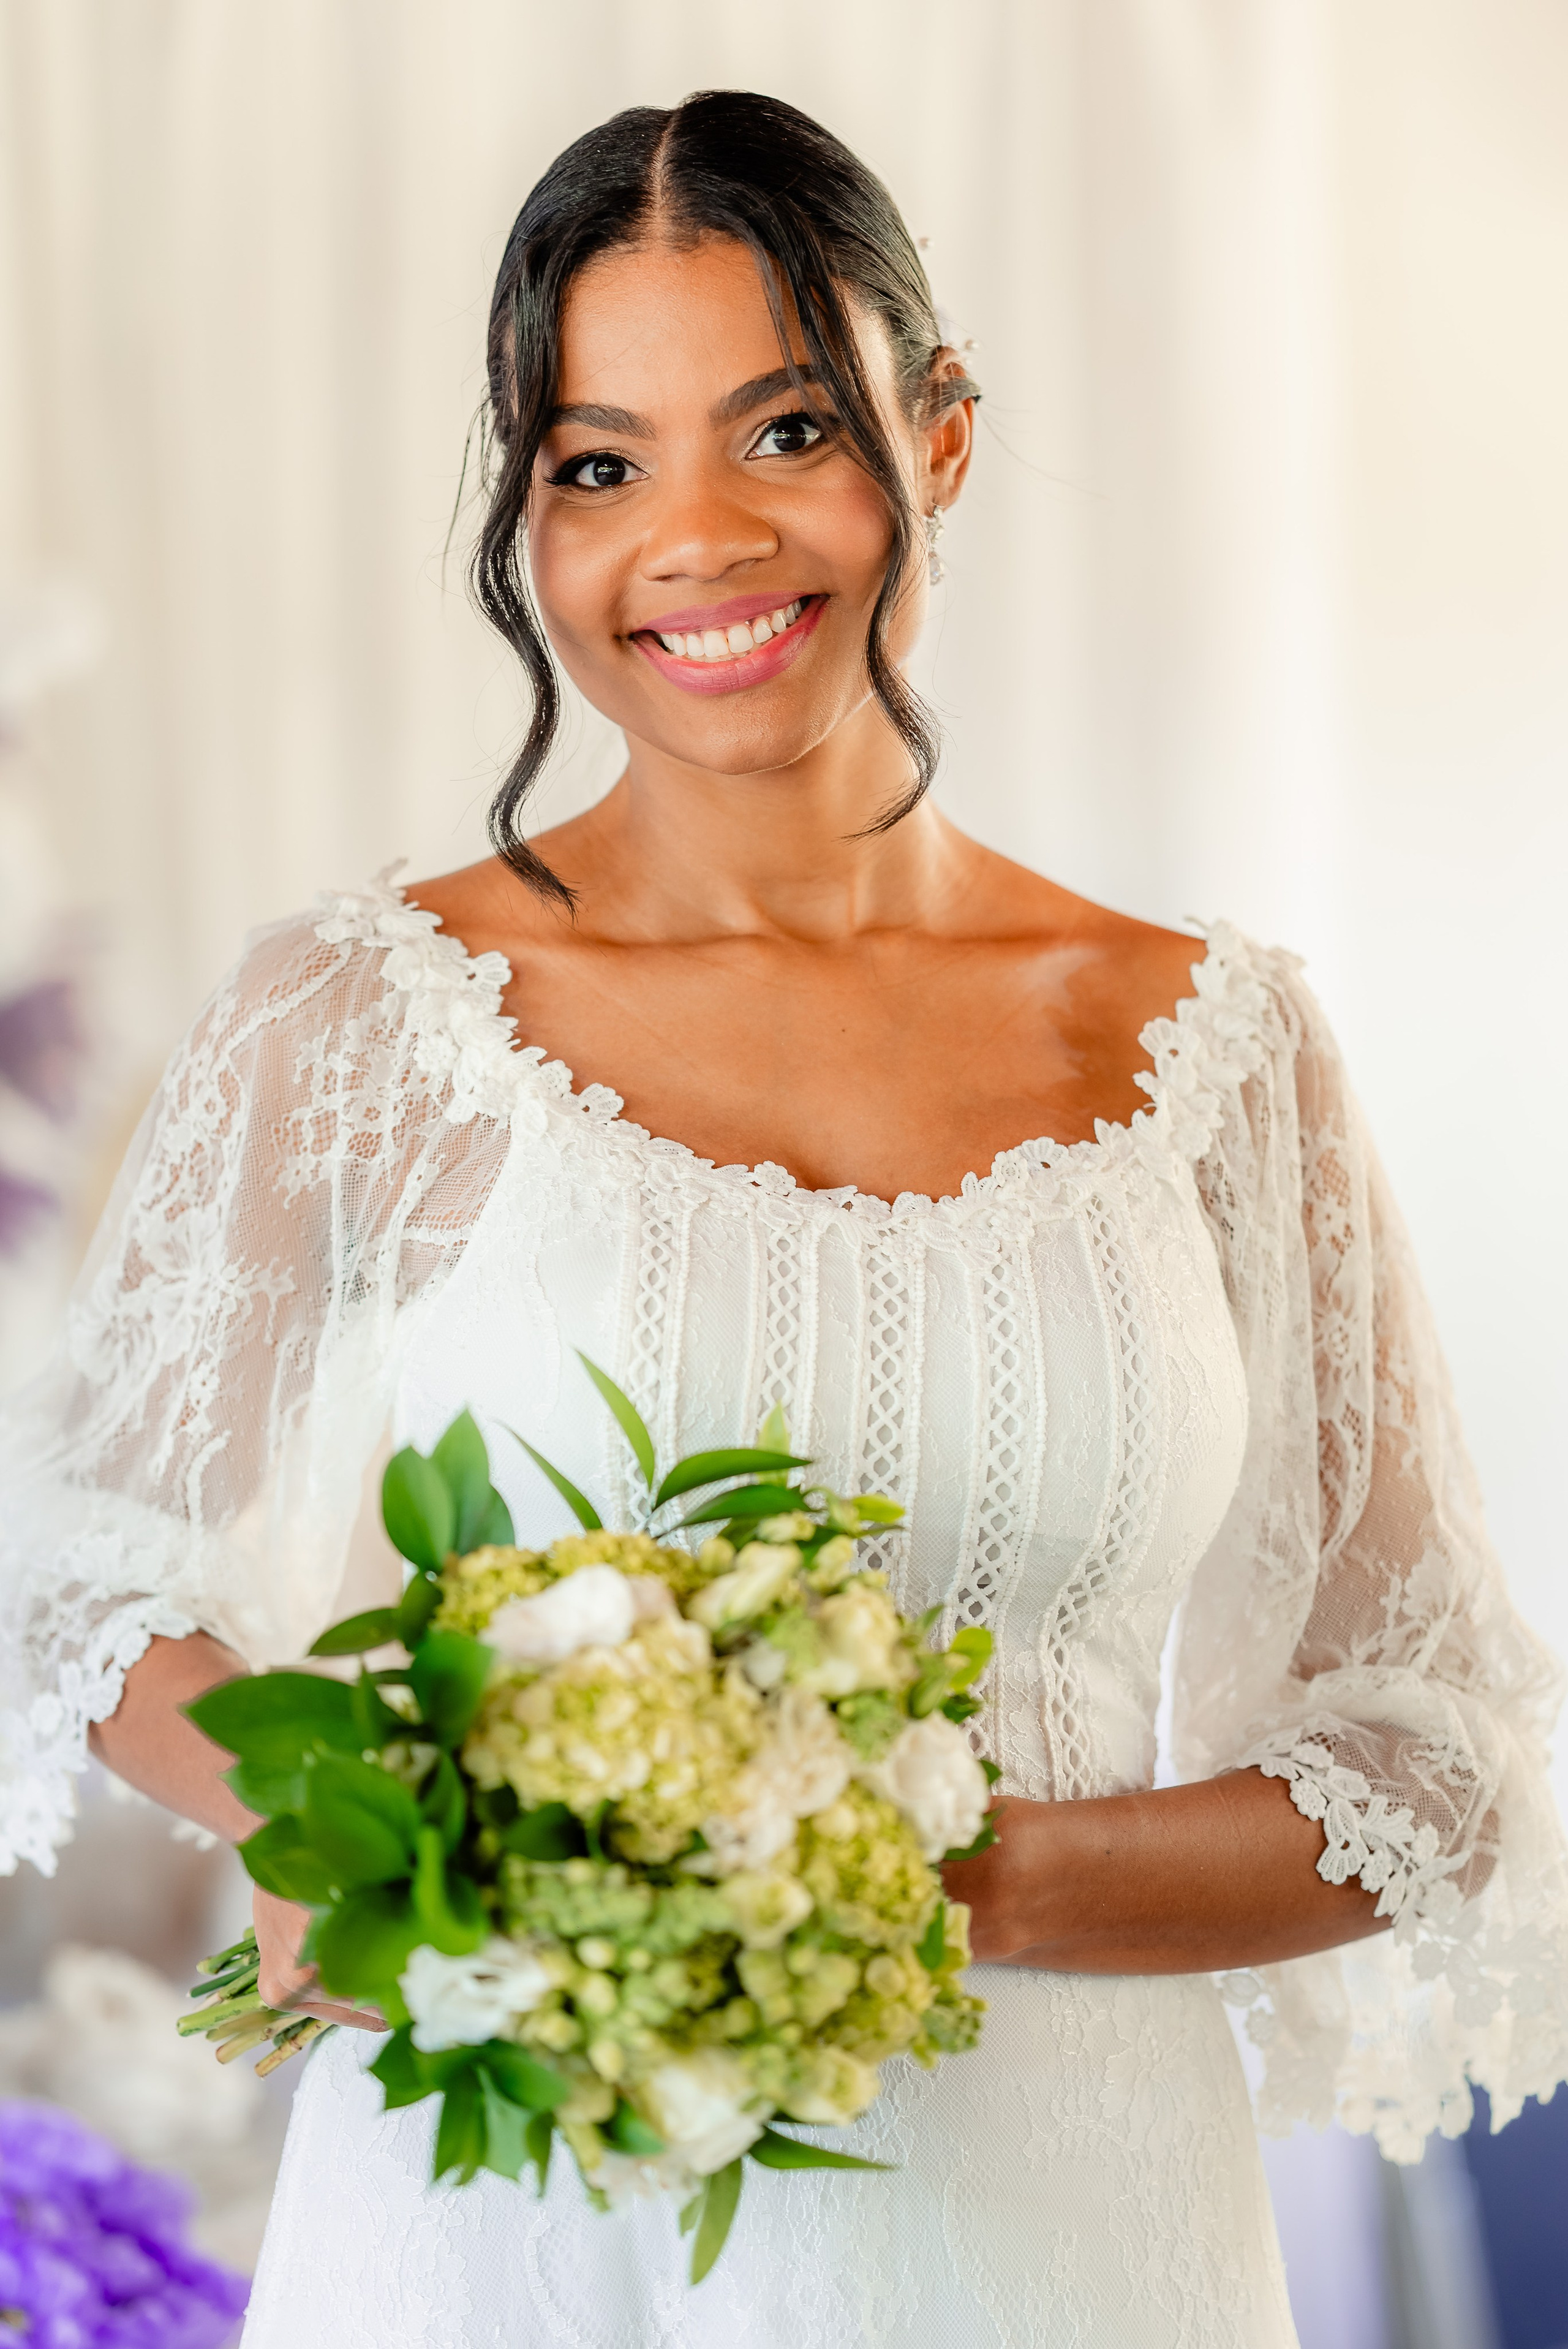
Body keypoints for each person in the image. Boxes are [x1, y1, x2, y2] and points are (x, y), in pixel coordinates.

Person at [3, 89, 1564, 2349]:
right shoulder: (365, 1010)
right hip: (527, 2220)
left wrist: (886, 1873)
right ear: (527, 516)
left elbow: (1429, 1751)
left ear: (938, 437)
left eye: (788, 426)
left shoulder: (1214, 1045)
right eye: (597, 462)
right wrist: (374, 1821)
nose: (698, 541)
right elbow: (76, 1565)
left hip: (1074, 2230)